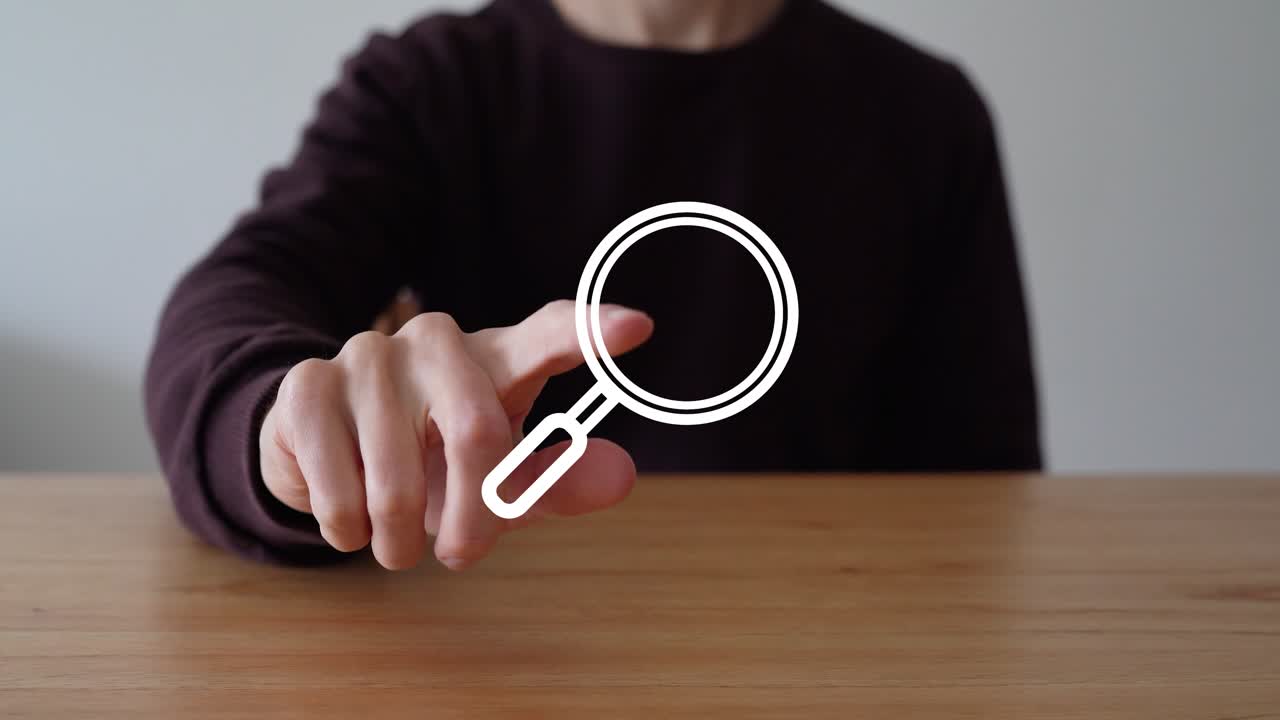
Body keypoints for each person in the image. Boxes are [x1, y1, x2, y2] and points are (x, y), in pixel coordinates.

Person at [145, 0, 1041, 572]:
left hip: (833, 632)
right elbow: (237, 297)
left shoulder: (922, 112)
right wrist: (282, 437)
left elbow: (988, 492)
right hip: (500, 627)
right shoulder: (430, 84)